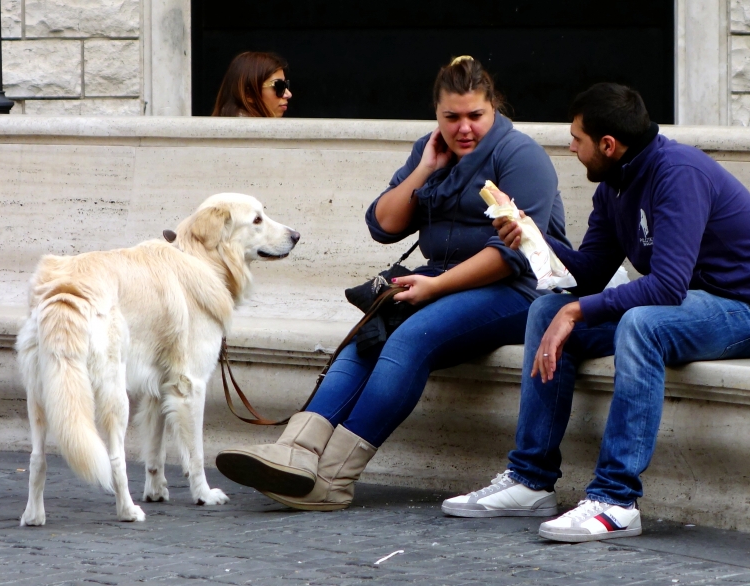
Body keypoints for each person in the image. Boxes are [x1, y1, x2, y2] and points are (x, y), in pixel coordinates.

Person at [442, 83, 750, 542]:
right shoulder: (614, 186)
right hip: (691, 307)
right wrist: (532, 235)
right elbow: (590, 272)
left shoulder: (678, 174)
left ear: (608, 145)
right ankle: (531, 479)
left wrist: (578, 312)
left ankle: (616, 499)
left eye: (577, 139)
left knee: (639, 323)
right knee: (546, 309)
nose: (571, 147)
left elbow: (666, 287)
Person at [215, 56, 572, 511]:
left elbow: (508, 257)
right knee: (369, 336)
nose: (463, 128)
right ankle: (296, 453)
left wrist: (433, 289)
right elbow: (383, 224)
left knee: (409, 339)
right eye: (451, 117)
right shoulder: (433, 148)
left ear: (494, 109)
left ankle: (333, 479)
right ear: (437, 114)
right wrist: (424, 168)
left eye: (475, 116)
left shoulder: (521, 155)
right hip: (444, 281)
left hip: (519, 290)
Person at [211, 51, 292, 117]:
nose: (288, 94)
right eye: (279, 86)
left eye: (286, 85)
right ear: (248, 94)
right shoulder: (246, 133)